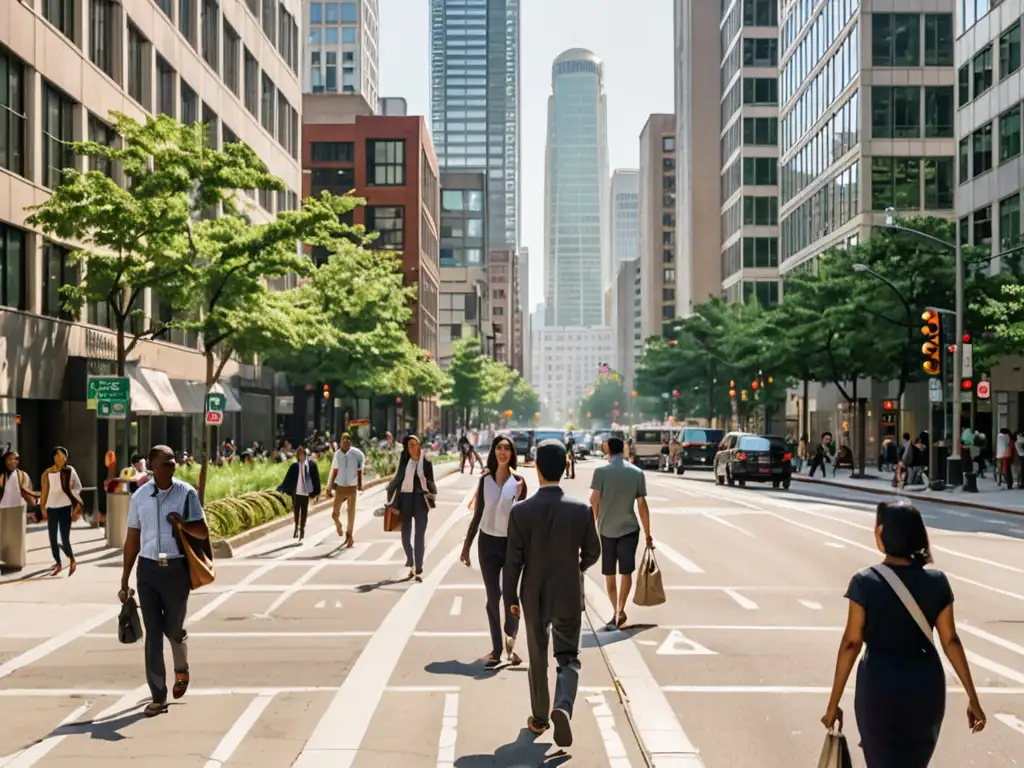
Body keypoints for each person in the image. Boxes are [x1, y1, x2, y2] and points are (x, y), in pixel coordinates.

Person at [822, 500, 986, 766]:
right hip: (926, 689)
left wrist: (833, 705)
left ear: (882, 534)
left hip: (879, 688)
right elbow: (950, 641)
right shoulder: (937, 582)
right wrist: (973, 698)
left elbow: (851, 644)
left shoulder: (865, 582)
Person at [504, 439, 601, 747]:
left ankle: (540, 717)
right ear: (564, 466)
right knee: (569, 657)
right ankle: (563, 705)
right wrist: (577, 565)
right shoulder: (581, 509)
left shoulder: (521, 512)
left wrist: (510, 599)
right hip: (569, 591)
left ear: (537, 467)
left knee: (537, 658)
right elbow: (594, 552)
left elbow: (512, 562)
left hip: (533, 593)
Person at [119, 445, 209, 718]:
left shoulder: (186, 493)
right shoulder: (140, 497)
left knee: (173, 629)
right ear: (153, 466)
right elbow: (132, 538)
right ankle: (158, 695)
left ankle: (181, 666)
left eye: (173, 461)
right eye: (166, 462)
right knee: (153, 634)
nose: (172, 465)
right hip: (147, 571)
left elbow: (203, 531)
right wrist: (124, 579)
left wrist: (182, 524)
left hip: (176, 570)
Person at [460, 435, 528, 667]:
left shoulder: (519, 482)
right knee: (492, 598)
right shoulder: (485, 480)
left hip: (510, 545)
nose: (502, 452)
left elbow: (522, 519)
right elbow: (478, 513)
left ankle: (511, 641)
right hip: (487, 544)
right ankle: (497, 648)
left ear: (512, 454)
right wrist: (466, 547)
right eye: (498, 448)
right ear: (494, 451)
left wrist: (519, 494)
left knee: (511, 597)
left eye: (507, 449)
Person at [589, 436, 653, 629]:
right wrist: (648, 533)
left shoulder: (600, 472)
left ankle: (614, 610)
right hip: (629, 529)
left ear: (608, 449)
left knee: (609, 573)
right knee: (626, 571)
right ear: (623, 449)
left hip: (606, 529)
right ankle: (621, 608)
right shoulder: (637, 473)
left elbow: (594, 500)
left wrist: (594, 523)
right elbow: (642, 505)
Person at [386, 435, 437, 581]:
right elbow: (397, 480)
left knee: (419, 535)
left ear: (419, 445)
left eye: (415, 444)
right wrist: (390, 500)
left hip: (421, 501)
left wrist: (430, 491)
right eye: (410, 445)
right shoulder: (405, 461)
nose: (412, 447)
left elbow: (432, 481)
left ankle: (419, 566)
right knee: (405, 536)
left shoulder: (426, 462)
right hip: (405, 500)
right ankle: (410, 559)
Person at [40, 447, 83, 577]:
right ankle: (58, 562)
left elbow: (78, 487)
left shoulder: (69, 471)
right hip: (51, 507)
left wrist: (76, 505)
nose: (62, 458)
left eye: (64, 455)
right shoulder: (47, 473)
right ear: (54, 458)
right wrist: (43, 507)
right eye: (59, 455)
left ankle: (72, 559)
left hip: (65, 507)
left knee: (65, 538)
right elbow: (44, 491)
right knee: (52, 538)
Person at [0, 450, 37, 572]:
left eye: (14, 459)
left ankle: (17, 562)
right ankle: (3, 560)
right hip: (2, 509)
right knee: (2, 535)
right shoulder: (1, 475)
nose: (12, 462)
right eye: (9, 459)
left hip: (17, 508)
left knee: (17, 536)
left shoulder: (22, 475)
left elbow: (29, 491)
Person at [326, 433, 364, 548]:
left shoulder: (357, 454)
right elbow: (334, 470)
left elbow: (359, 469)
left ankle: (350, 535)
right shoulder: (337, 454)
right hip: (340, 487)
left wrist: (360, 484)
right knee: (334, 513)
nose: (346, 442)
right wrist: (329, 486)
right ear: (340, 441)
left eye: (348, 440)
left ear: (350, 442)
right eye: (344, 440)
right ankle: (338, 525)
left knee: (351, 512)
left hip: (352, 486)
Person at [278, 445, 322, 540]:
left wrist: (317, 491)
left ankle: (302, 528)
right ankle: (296, 526)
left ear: (305, 455)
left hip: (306, 492)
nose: (301, 456)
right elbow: (288, 479)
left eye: (302, 454)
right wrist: (281, 488)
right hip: (297, 492)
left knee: (304, 511)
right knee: (296, 511)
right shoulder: (294, 467)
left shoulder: (311, 465)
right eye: (299, 455)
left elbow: (316, 479)